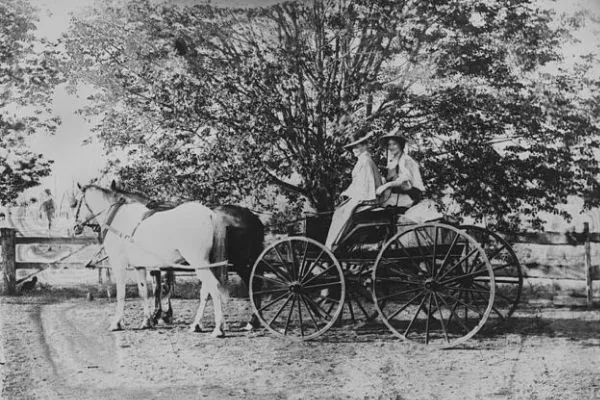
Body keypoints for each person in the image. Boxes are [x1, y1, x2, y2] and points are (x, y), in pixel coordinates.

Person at [325, 131, 382, 249]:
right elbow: (359, 184)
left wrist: (348, 194)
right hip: (365, 195)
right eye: (352, 147)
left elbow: (365, 187)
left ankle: (333, 245)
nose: (354, 149)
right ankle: (337, 243)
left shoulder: (365, 161)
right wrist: (346, 193)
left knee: (340, 212)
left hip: (368, 198)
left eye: (357, 146)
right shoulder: (363, 160)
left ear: (365, 145)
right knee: (341, 209)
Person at [376, 130, 425, 208]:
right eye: (389, 145)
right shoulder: (394, 160)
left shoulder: (406, 160)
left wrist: (385, 186)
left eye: (394, 144)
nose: (391, 147)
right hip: (399, 194)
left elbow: (404, 180)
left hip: (411, 195)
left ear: (400, 145)